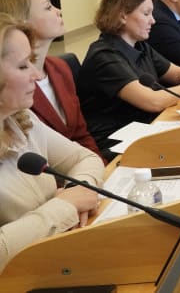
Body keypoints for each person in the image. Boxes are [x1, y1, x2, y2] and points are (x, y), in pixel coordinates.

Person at [0, 14, 104, 270]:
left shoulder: (21, 118)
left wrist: (78, 191)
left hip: (57, 256)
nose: (37, 75)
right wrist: (64, 207)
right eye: (23, 66)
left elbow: (85, 158)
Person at [77, 0, 180, 153]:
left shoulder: (139, 45)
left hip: (146, 126)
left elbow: (177, 73)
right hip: (117, 141)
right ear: (122, 16)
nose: (153, 21)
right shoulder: (104, 56)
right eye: (146, 14)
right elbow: (153, 101)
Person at [0, 0, 103, 161]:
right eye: (48, 7)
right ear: (22, 20)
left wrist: (104, 170)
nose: (59, 11)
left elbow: (82, 135)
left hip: (81, 166)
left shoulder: (60, 68)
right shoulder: (14, 92)